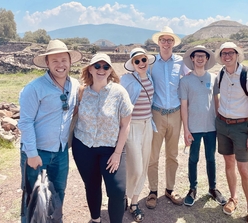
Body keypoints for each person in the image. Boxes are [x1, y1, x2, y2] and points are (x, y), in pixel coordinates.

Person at [18, 39, 82, 221]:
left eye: (64, 60)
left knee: (58, 193)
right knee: (32, 199)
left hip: (61, 152)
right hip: (37, 152)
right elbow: (26, 122)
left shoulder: (75, 85)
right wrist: (31, 153)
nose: (60, 65)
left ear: (70, 62)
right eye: (55, 61)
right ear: (47, 63)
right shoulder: (34, 88)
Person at [71, 53, 133, 223]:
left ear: (110, 70)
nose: (101, 69)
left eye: (105, 66)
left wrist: (118, 153)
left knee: (117, 190)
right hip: (84, 147)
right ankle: (95, 219)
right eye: (97, 66)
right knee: (91, 185)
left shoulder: (119, 92)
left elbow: (126, 124)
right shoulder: (81, 92)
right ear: (90, 69)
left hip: (111, 149)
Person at [214, 42, 248, 223]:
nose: (227, 56)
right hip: (223, 125)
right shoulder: (221, 74)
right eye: (223, 53)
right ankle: (233, 198)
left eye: (230, 53)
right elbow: (217, 96)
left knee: (244, 169)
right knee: (228, 163)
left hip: (241, 127)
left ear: (237, 54)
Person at [146, 26, 190, 209]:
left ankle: (170, 189)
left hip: (175, 114)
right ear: (158, 42)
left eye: (169, 40)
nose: (166, 43)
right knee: (153, 155)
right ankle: (153, 191)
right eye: (163, 40)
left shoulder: (181, 62)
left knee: (173, 155)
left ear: (173, 43)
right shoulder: (150, 62)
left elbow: (189, 83)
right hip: (156, 113)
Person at [179, 45, 227, 207]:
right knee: (193, 159)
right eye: (197, 56)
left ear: (207, 59)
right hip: (194, 127)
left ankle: (212, 188)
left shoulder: (213, 78)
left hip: (211, 127)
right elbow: (183, 106)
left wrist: (219, 120)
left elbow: (216, 100)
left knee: (211, 159)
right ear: (192, 59)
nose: (200, 58)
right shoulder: (185, 81)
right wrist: (186, 129)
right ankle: (192, 189)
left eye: (203, 56)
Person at [120, 47, 156, 222]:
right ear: (132, 64)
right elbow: (119, 101)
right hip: (132, 126)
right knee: (135, 166)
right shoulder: (126, 79)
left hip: (147, 124)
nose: (141, 63)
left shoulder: (150, 78)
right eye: (137, 61)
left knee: (144, 162)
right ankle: (125, 194)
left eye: (144, 60)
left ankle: (134, 202)